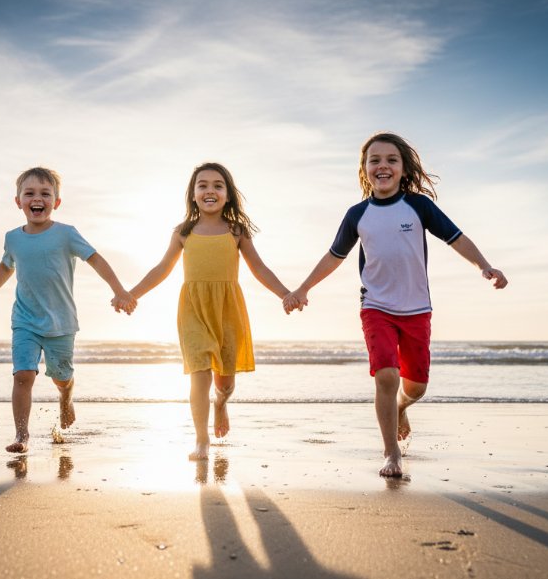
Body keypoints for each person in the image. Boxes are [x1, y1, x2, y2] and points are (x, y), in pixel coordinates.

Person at [283, 132, 508, 477]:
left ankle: (402, 406)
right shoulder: (358, 214)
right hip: (375, 307)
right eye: (375, 160)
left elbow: (456, 238)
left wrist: (484, 265)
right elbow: (334, 256)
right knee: (386, 376)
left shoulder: (419, 207)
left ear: (403, 169)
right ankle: (391, 454)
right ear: (364, 170)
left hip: (417, 309)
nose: (383, 166)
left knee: (415, 387)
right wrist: (302, 288)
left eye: (391, 160)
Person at [126, 162, 293, 460]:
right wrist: (132, 294)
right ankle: (202, 439)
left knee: (225, 383)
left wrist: (285, 294)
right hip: (194, 309)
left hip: (228, 309)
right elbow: (162, 269)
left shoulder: (236, 231)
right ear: (193, 194)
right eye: (202, 185)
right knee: (199, 373)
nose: (210, 190)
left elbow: (259, 268)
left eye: (218, 185)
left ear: (227, 195)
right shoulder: (183, 232)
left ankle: (221, 403)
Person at [0, 167, 135, 453]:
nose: (37, 199)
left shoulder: (66, 234)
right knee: (23, 375)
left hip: (61, 323)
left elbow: (95, 259)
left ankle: (66, 396)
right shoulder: (13, 237)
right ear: (18, 201)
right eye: (30, 193)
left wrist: (119, 290)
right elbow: (5, 267)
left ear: (56, 202)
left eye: (45, 194)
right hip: (24, 320)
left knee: (60, 376)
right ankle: (22, 435)